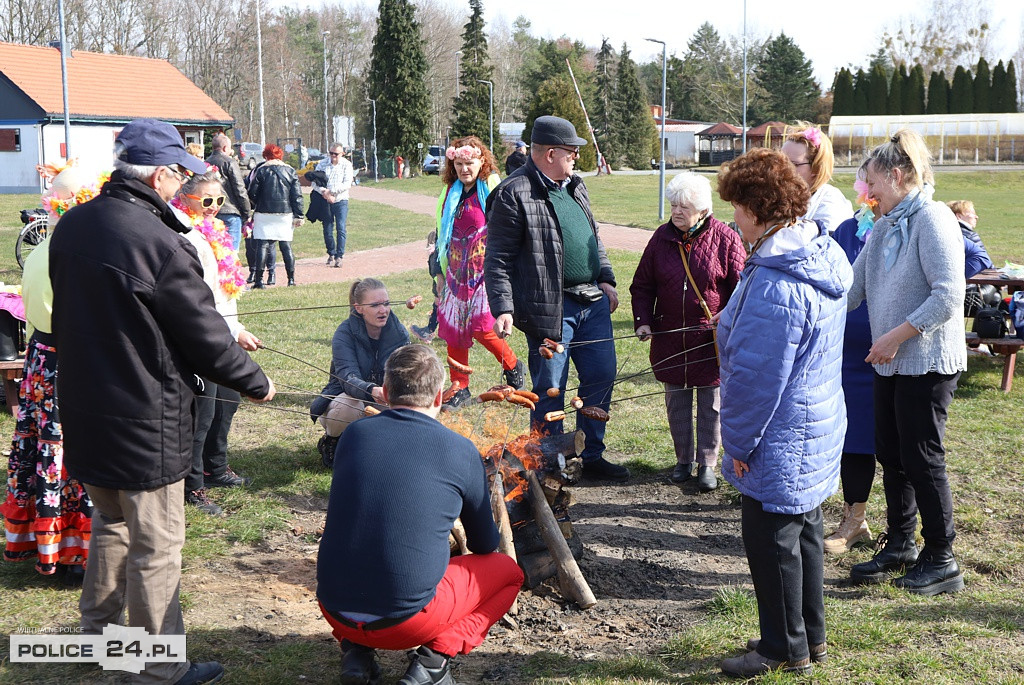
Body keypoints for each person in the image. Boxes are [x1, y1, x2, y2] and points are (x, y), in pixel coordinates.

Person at [48, 118, 275, 685]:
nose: (184, 183)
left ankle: (102, 646)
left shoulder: (72, 225)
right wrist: (255, 381)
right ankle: (158, 670)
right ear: (159, 174)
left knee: (111, 527)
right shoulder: (158, 241)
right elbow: (204, 335)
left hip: (85, 411)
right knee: (155, 548)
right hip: (143, 421)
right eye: (180, 173)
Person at [715, 148, 852, 677]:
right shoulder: (811, 252)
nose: (732, 216)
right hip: (813, 423)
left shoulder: (778, 281)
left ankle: (782, 647)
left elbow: (756, 381)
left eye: (737, 206)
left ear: (758, 208)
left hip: (779, 432)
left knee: (773, 541)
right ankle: (809, 638)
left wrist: (741, 444)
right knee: (806, 531)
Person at [316, 344, 522, 685]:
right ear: (440, 395)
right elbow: (486, 544)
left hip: (333, 610)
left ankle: (356, 653)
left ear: (384, 393)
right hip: (406, 623)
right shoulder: (461, 449)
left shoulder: (353, 434)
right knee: (509, 573)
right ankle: (432, 662)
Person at [847, 129, 966, 596]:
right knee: (891, 456)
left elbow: (949, 296)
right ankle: (901, 544)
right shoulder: (883, 226)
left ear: (898, 176)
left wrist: (894, 337)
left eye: (872, 182)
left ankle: (943, 558)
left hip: (928, 361)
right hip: (890, 361)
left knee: (922, 458)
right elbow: (851, 290)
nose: (867, 192)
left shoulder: (933, 218)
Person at [485, 115, 627, 482]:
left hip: (592, 302)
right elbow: (497, 257)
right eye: (571, 151)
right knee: (550, 388)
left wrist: (607, 279)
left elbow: (593, 238)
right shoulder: (513, 192)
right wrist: (502, 307)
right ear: (550, 154)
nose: (576, 158)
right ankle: (548, 462)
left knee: (601, 375)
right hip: (551, 309)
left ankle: (591, 454)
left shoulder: (576, 187)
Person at [3, 164, 98, 585]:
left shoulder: (44, 248)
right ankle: (75, 554)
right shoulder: (79, 252)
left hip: (42, 358)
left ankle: (50, 547)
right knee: (70, 452)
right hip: (73, 360)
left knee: (46, 451)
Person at [630, 172, 744, 492]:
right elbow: (642, 285)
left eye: (684, 206)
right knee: (676, 401)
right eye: (673, 204)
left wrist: (727, 315)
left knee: (711, 403)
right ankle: (683, 459)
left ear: (703, 210)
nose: (676, 211)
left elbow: (744, 288)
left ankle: (707, 463)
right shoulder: (661, 238)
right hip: (669, 337)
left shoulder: (725, 238)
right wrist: (643, 320)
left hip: (709, 340)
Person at [170, 168, 260, 516]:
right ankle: (192, 487)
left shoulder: (216, 231)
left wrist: (236, 329)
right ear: (186, 197)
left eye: (219, 200)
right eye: (206, 200)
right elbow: (199, 297)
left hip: (224, 330)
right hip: (201, 334)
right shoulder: (183, 232)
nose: (214, 206)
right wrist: (230, 331)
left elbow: (224, 293)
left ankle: (215, 467)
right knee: (202, 413)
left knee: (228, 401)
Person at [434, 136, 523, 409]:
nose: (464, 169)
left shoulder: (494, 188)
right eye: (458, 164)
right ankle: (460, 387)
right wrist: (438, 273)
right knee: (453, 331)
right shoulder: (450, 193)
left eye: (469, 163)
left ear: (481, 161)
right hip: (455, 275)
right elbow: (440, 232)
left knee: (484, 326)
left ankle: (513, 365)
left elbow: (510, 229)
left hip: (486, 272)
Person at [822, 169, 879, 555]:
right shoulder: (848, 230)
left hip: (894, 354)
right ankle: (854, 520)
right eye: (865, 185)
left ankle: (904, 529)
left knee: (896, 447)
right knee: (854, 441)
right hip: (848, 359)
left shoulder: (915, 227)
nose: (869, 193)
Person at [310, 278, 409, 468]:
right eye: (375, 305)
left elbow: (405, 373)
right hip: (346, 398)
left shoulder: (399, 333)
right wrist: (373, 390)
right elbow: (347, 378)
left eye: (386, 303)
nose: (383, 310)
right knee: (349, 406)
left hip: (385, 399)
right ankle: (332, 441)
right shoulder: (344, 333)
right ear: (359, 308)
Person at [247, 144, 303, 288]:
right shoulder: (290, 170)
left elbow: (252, 192)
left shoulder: (261, 170)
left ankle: (259, 280)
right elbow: (297, 196)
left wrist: (255, 204)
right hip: (285, 213)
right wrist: (299, 215)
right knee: (286, 246)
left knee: (262, 246)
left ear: (266, 155)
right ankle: (291, 279)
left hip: (264, 212)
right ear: (281, 155)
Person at [781, 125, 852, 233]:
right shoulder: (776, 197)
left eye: (794, 164)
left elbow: (826, 245)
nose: (782, 169)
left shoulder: (830, 204)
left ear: (816, 168)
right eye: (780, 161)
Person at [206, 133, 252, 252]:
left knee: (216, 252)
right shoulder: (229, 162)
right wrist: (247, 212)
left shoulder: (206, 163)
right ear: (225, 148)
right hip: (230, 211)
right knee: (230, 254)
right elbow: (239, 189)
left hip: (211, 211)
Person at [312, 144, 354, 268]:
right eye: (331, 153)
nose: (333, 156)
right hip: (325, 200)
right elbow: (315, 182)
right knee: (327, 229)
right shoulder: (322, 164)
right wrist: (324, 192)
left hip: (341, 200)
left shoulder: (346, 165)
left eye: (336, 154)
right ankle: (331, 253)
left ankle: (339, 256)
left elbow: (347, 183)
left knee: (341, 227)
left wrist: (333, 192)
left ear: (342, 154)